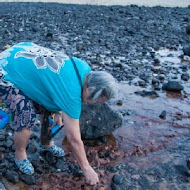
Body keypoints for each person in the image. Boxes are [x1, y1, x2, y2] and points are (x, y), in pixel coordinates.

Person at [0, 42, 117, 185]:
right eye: (99, 99)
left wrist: (57, 112)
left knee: (49, 111)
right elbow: (74, 139)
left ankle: (46, 143)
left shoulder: (85, 70)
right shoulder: (72, 96)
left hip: (22, 51)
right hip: (6, 70)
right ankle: (20, 155)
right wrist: (86, 168)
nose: (98, 102)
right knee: (26, 117)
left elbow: (55, 82)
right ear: (89, 91)